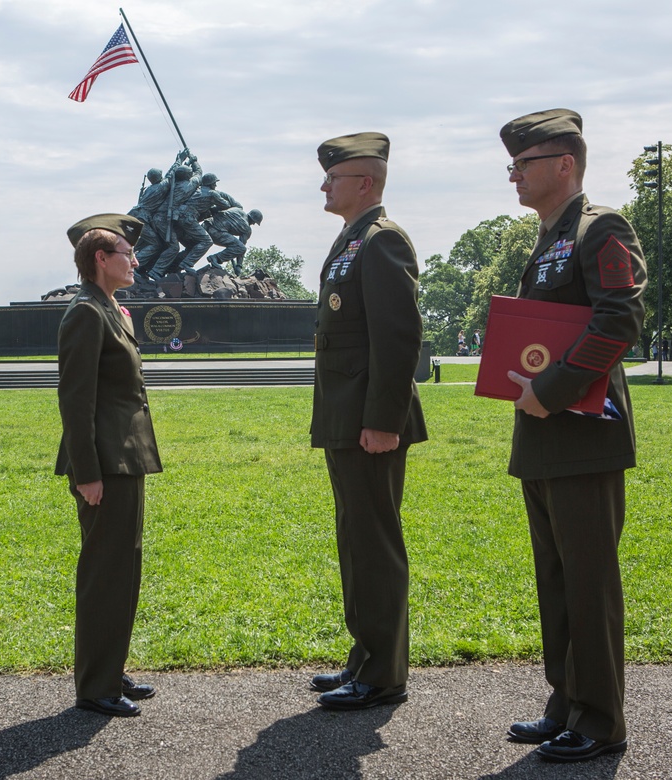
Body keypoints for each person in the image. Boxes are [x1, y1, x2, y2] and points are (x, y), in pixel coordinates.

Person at [499, 109, 647, 761]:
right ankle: (566, 703)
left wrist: (552, 389)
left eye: (523, 164)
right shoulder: (548, 236)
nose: (513, 175)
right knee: (557, 582)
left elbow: (620, 321)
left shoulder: (599, 228)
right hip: (544, 437)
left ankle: (600, 720)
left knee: (589, 585)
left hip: (584, 434)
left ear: (565, 165)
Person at [308, 132, 427, 710]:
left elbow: (399, 337)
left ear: (366, 182)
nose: (324, 185)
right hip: (347, 417)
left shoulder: (381, 241)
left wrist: (384, 420)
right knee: (356, 538)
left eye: (333, 177)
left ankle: (383, 675)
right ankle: (365, 657)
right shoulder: (353, 239)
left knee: (374, 542)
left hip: (369, 423)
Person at [55, 213, 163, 717]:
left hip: (126, 458)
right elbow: (75, 401)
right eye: (127, 253)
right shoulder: (85, 313)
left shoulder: (112, 309)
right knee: (105, 572)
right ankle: (95, 686)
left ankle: (110, 667)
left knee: (123, 569)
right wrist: (86, 472)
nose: (136, 260)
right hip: (104, 465)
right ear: (101, 259)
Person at [204, 207, 262, 274]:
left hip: (207, 224)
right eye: (254, 222)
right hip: (216, 231)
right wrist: (239, 266)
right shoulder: (247, 229)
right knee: (241, 248)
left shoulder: (237, 209)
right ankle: (215, 258)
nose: (253, 224)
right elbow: (240, 249)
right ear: (253, 220)